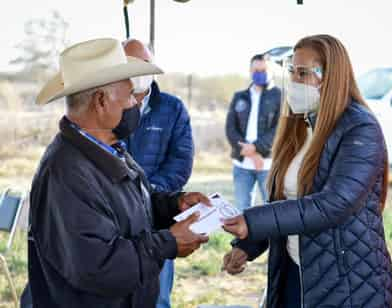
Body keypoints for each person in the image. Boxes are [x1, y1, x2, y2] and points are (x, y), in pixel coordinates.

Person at [28, 38, 210, 308]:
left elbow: (124, 208)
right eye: (129, 96)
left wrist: (172, 205)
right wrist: (168, 243)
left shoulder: (108, 149)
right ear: (101, 101)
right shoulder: (66, 173)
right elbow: (97, 267)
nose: (135, 105)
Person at [222, 34, 392, 308]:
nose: (294, 81)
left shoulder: (360, 128)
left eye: (303, 73)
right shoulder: (300, 128)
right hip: (295, 274)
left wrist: (252, 221)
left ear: (331, 76)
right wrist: (249, 245)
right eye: (292, 71)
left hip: (346, 283)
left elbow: (334, 204)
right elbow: (286, 205)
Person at [123, 39, 194, 308]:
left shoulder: (172, 109)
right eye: (129, 65)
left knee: (158, 297)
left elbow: (181, 162)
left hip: (156, 218)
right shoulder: (112, 106)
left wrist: (145, 191)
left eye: (144, 65)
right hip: (118, 221)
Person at [225, 54, 281, 211]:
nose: (259, 73)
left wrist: (256, 148)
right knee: (243, 211)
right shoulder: (239, 96)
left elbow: (279, 129)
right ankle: (247, 238)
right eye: (256, 70)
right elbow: (230, 128)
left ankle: (271, 237)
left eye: (263, 70)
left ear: (271, 71)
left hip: (269, 165)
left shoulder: (280, 96)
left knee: (273, 211)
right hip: (242, 164)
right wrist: (251, 153)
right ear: (250, 70)